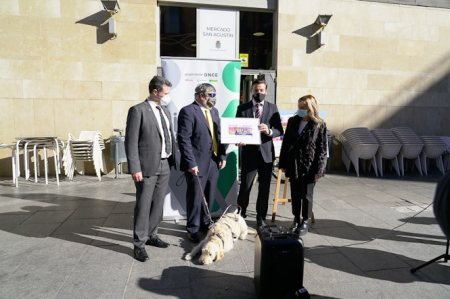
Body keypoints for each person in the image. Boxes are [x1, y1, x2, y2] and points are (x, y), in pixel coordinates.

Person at [125, 75, 177, 262]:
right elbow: (130, 142)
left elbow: (168, 136)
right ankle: (139, 244)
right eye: (165, 93)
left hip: (165, 164)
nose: (167, 96)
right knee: (143, 205)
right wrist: (135, 168)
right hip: (146, 166)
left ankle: (152, 236)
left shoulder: (165, 111)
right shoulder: (138, 110)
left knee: (157, 204)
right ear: (155, 92)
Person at [177, 83, 227, 243]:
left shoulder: (215, 111)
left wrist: (223, 156)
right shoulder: (188, 111)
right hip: (196, 163)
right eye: (211, 95)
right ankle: (192, 228)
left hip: (213, 161)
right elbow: (183, 139)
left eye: (214, 94)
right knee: (195, 196)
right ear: (201, 95)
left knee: (210, 195)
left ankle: (206, 223)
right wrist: (191, 162)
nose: (214, 98)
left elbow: (219, 136)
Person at [235, 78, 283, 227]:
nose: (259, 93)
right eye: (256, 90)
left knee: (264, 188)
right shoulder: (243, 108)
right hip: (249, 154)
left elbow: (279, 130)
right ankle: (240, 215)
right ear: (251, 91)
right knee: (245, 187)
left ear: (266, 91)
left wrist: (268, 131)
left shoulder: (272, 108)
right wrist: (239, 139)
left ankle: (260, 217)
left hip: (266, 155)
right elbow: (237, 129)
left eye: (261, 90)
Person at [278, 95, 328, 236]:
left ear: (311, 108)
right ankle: (296, 219)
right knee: (295, 194)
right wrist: (283, 163)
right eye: (299, 107)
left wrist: (320, 169)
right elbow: (286, 143)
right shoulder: (293, 121)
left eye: (303, 108)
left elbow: (322, 148)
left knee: (306, 195)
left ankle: (305, 221)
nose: (299, 110)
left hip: (309, 165)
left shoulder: (319, 124)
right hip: (293, 163)